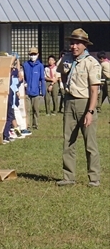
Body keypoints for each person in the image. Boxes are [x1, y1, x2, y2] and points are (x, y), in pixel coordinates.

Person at [56, 28, 101, 187]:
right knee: (68, 141)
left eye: (77, 44)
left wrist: (90, 111)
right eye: (72, 43)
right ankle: (68, 177)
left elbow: (95, 90)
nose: (74, 46)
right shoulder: (66, 59)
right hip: (69, 102)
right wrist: (65, 88)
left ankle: (94, 178)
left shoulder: (91, 63)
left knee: (90, 143)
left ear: (84, 45)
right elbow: (61, 72)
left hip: (85, 102)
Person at [23, 47, 45, 130]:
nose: (33, 56)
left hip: (36, 92)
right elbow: (23, 77)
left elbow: (42, 79)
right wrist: (24, 84)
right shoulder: (25, 65)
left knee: (36, 110)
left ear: (38, 55)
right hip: (27, 92)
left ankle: (35, 124)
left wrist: (43, 91)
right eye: (31, 54)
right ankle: (27, 125)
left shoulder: (40, 66)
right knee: (27, 110)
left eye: (34, 54)